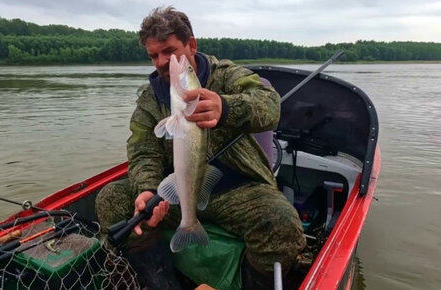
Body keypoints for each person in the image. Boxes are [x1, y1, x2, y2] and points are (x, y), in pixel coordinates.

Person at [95, 6, 306, 289]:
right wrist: (146, 189)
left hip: (238, 190)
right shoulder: (149, 100)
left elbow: (269, 105)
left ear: (191, 45)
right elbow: (143, 150)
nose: (160, 62)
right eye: (153, 55)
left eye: (169, 52)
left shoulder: (228, 76)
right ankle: (164, 284)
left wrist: (226, 106)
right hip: (176, 191)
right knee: (111, 199)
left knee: (281, 223)